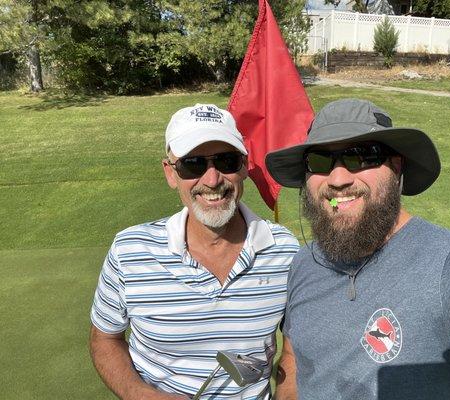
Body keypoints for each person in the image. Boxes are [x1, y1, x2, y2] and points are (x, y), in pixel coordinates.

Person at [265, 99, 450, 400]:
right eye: (319, 161)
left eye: (361, 156)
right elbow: (294, 357)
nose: (338, 179)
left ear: (396, 166)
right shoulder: (305, 263)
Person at [89, 104, 299, 399]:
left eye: (226, 161)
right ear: (170, 173)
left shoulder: (285, 251)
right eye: (193, 164)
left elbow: (294, 349)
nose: (212, 180)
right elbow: (105, 339)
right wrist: (141, 395)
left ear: (244, 168)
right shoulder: (129, 251)